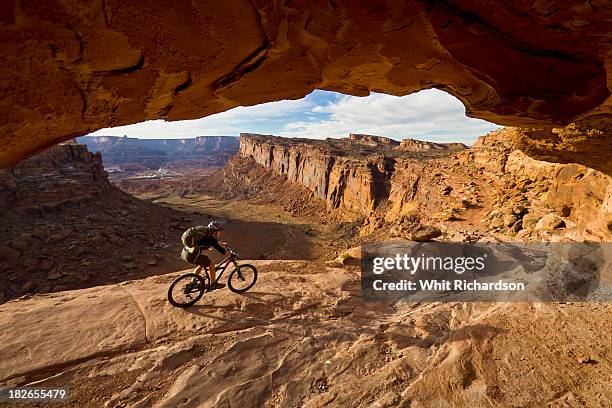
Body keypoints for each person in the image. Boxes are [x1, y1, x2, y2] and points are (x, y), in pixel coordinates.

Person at [181, 221, 227, 289]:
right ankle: (213, 284)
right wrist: (232, 253)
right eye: (219, 231)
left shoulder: (203, 232)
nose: (220, 233)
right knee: (212, 264)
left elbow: (212, 242)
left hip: (185, 254)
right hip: (193, 257)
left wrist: (221, 244)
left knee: (202, 264)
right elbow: (223, 252)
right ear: (215, 231)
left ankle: (193, 282)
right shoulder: (210, 239)